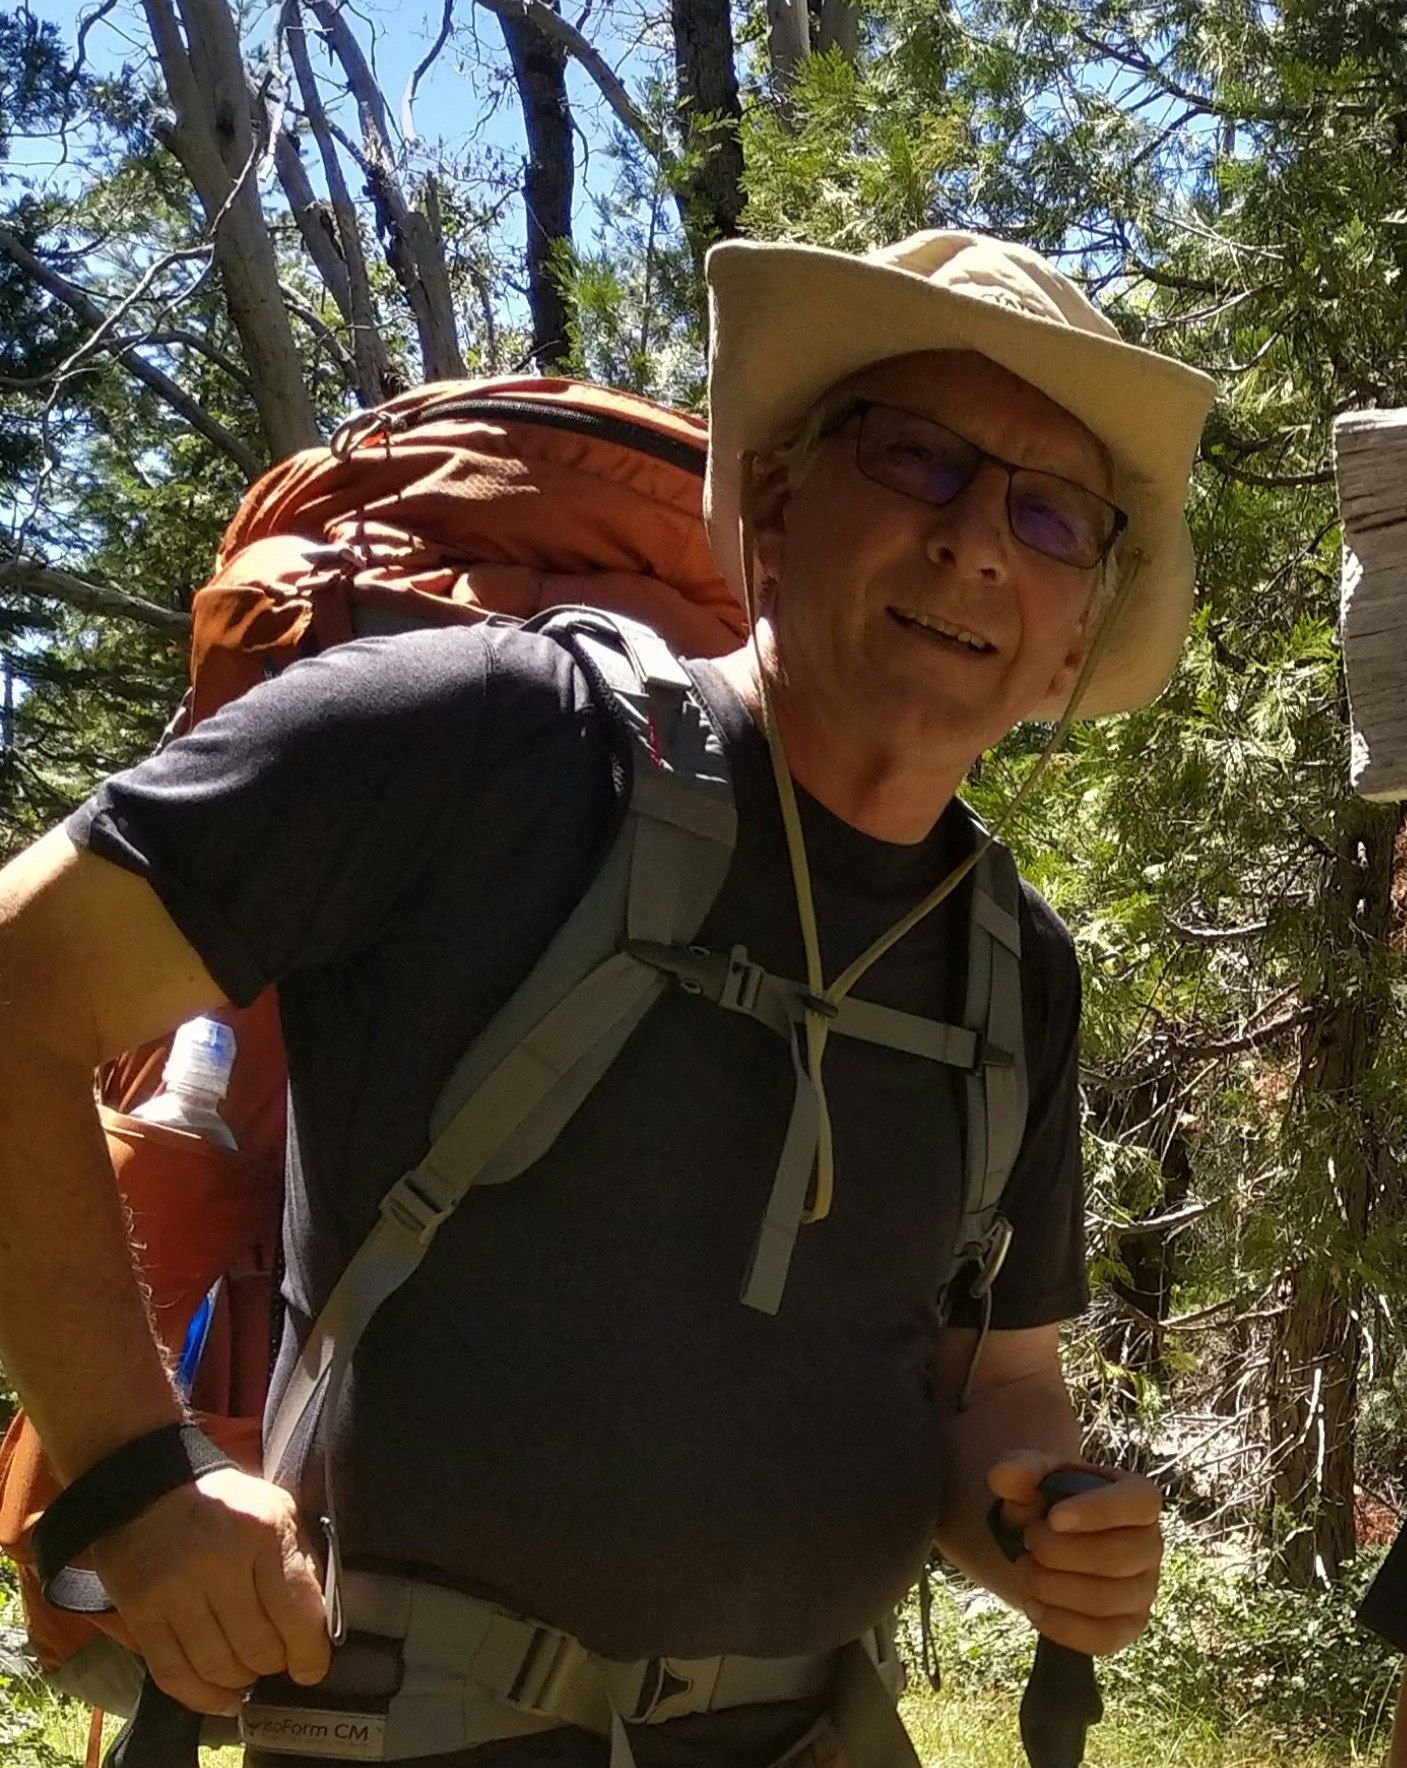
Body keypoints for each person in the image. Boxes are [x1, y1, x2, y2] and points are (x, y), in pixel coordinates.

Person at [0, 231, 1215, 1768]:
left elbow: (1005, 1385)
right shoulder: (486, 745)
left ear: (1070, 639)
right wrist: (133, 1475)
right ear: (775, 499)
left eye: (1050, 514)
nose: (979, 539)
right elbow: (19, 986)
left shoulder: (1014, 966)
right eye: (919, 458)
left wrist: (1045, 1525)